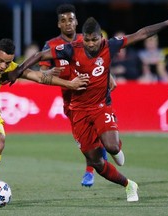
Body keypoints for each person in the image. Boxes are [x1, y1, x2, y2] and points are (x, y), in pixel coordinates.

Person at [5, 9, 168, 202]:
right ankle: (129, 185)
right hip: (78, 110)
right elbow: (40, 56)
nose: (91, 44)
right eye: (88, 41)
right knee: (96, 161)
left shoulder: (111, 45)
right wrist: (18, 69)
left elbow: (141, 34)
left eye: (94, 40)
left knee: (112, 146)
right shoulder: (72, 48)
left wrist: (166, 23)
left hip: (101, 105)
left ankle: (116, 148)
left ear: (101, 38)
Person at [0, 38, 88, 206]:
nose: (3, 66)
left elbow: (39, 76)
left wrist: (70, 84)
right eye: (0, 61)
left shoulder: (10, 67)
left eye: (7, 63)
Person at [39, 4, 111, 187]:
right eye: (63, 21)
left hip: (93, 97)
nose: (67, 23)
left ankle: (90, 171)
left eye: (70, 19)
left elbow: (102, 61)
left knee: (97, 133)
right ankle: (99, 155)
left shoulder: (87, 40)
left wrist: (110, 78)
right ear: (58, 24)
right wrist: (51, 72)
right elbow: (42, 73)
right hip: (71, 101)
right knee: (85, 141)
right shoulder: (52, 45)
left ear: (76, 21)